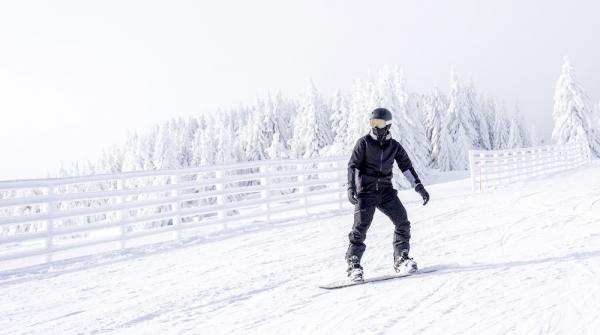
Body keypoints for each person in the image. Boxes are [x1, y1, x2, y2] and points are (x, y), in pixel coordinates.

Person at [345, 107, 430, 282]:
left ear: (388, 125)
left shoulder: (394, 146)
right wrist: (351, 188)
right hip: (366, 193)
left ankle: (402, 259)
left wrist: (419, 186)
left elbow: (406, 166)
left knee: (403, 222)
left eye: (379, 123)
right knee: (360, 229)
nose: (375, 126)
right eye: (372, 122)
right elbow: (353, 166)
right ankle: (354, 265)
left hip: (385, 191)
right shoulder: (364, 143)